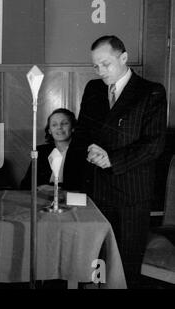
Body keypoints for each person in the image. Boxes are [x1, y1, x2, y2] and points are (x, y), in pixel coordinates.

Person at [74, 35, 167, 288]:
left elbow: (154, 144)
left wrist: (111, 160)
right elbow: (81, 134)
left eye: (106, 64)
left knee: (125, 269)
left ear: (124, 58)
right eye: (95, 66)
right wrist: (87, 154)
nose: (100, 71)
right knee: (96, 264)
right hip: (95, 193)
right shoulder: (93, 89)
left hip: (131, 196)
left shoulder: (151, 91)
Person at [20, 108, 87, 192]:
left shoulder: (83, 152)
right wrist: (38, 188)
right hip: (42, 197)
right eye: (54, 125)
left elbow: (86, 187)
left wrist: (60, 190)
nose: (59, 127)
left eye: (64, 123)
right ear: (49, 131)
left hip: (71, 199)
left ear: (73, 128)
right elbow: (25, 185)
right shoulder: (41, 151)